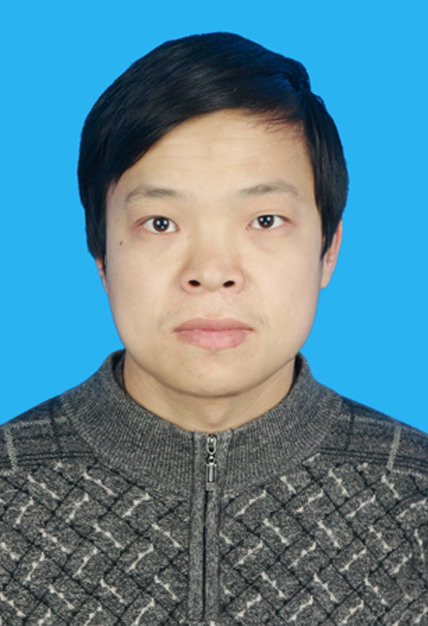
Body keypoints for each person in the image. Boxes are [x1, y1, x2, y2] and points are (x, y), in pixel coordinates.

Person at [1, 32, 427, 625]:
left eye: (265, 219)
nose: (211, 271)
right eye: (160, 222)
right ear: (100, 254)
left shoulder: (413, 495)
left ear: (328, 249)